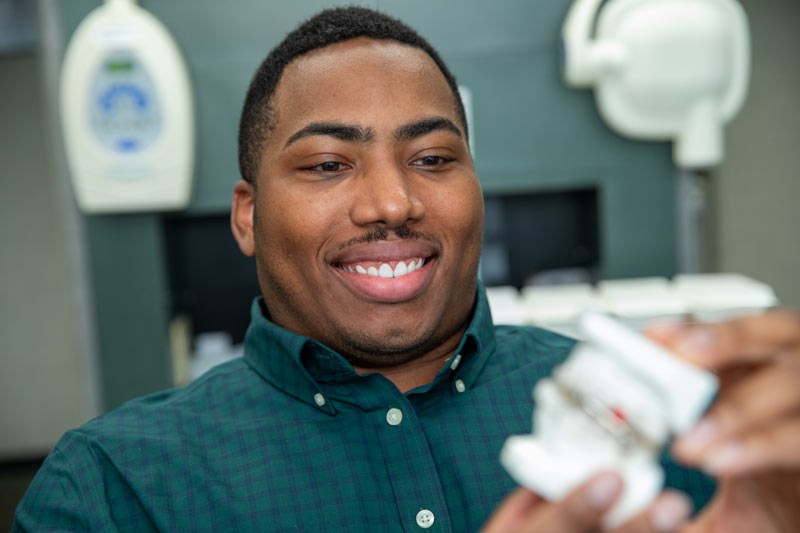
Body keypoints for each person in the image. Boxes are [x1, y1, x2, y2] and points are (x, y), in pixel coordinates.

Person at [14, 7, 800, 532]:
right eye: (327, 164)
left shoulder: (663, 423)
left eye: (431, 158)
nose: (391, 201)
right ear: (247, 215)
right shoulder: (118, 488)